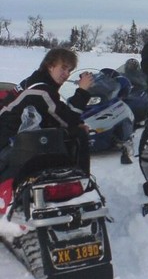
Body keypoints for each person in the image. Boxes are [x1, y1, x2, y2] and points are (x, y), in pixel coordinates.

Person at [0, 48, 94, 207]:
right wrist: (82, 92)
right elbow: (67, 120)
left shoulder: (37, 83)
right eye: (63, 68)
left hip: (13, 138)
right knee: (79, 134)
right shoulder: (41, 89)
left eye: (69, 70)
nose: (66, 74)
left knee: (75, 130)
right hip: (11, 144)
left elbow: (51, 115)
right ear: (50, 66)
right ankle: (81, 186)